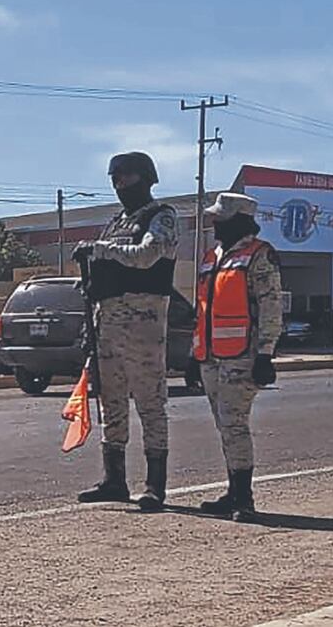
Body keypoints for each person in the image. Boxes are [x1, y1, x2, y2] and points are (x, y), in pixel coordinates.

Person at [72, 151, 179, 512]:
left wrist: (100, 250)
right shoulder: (116, 221)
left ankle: (154, 485)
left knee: (150, 402)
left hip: (143, 321)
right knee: (111, 402)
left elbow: (147, 256)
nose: (120, 184)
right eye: (115, 178)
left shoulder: (161, 217)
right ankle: (114, 480)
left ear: (146, 178)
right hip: (108, 322)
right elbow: (102, 265)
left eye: (127, 177)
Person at [185, 192, 283, 523]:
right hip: (211, 356)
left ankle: (244, 498)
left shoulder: (259, 256)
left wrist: (265, 355)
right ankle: (233, 492)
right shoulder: (213, 256)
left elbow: (270, 307)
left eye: (220, 219)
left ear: (239, 220)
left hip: (243, 355)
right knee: (223, 425)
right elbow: (203, 308)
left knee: (234, 424)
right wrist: (193, 353)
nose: (214, 224)